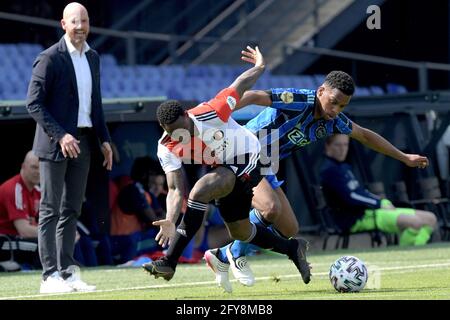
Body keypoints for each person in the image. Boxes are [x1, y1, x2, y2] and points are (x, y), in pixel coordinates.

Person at [205, 70, 431, 291]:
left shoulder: (333, 122)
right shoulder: (300, 99)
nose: (335, 110)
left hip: (266, 164)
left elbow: (364, 135)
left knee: (289, 227)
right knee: (270, 208)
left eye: (342, 106)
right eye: (333, 102)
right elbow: (254, 96)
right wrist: (217, 115)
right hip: (243, 151)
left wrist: (403, 157)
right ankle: (235, 254)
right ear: (321, 90)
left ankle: (222, 255)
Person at [142, 46, 311, 292]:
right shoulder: (166, 148)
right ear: (162, 126)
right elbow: (175, 188)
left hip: (250, 157)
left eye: (184, 128)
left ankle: (169, 261)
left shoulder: (212, 112)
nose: (181, 136)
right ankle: (293, 248)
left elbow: (240, 84)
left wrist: (260, 67)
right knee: (241, 231)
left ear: (187, 116)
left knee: (200, 190)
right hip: (225, 169)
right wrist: (169, 218)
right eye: (173, 132)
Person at [26, 2, 113, 294]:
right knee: (50, 209)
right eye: (74, 21)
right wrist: (61, 135)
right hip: (55, 145)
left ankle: (68, 272)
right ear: (63, 24)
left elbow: (95, 104)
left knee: (72, 210)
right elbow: (33, 104)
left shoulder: (94, 57)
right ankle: (49, 276)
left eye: (84, 21)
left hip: (85, 143)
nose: (80, 26)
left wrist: (105, 140)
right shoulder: (49, 58)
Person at [320, 134, 437, 245]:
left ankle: (415, 250)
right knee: (414, 223)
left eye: (345, 145)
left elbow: (360, 191)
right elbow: (351, 196)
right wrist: (379, 203)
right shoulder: (330, 170)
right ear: (328, 146)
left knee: (430, 219)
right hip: (355, 219)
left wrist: (381, 201)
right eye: (338, 145)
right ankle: (406, 254)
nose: (342, 149)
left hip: (368, 212)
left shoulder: (344, 167)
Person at [0, 151, 41, 269]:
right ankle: (47, 280)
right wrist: (55, 233)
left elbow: (42, 223)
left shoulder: (37, 191)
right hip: (3, 241)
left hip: (16, 238)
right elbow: (25, 231)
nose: (38, 172)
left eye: (41, 168)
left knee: (80, 241)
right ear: (23, 167)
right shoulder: (14, 189)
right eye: (34, 167)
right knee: (43, 246)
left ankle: (78, 272)